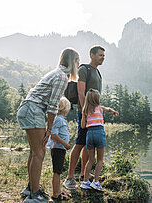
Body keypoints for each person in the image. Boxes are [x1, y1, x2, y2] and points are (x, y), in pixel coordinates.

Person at [17, 48, 79, 202]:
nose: (79, 64)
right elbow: (52, 106)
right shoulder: (62, 77)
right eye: (78, 61)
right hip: (33, 110)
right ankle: (35, 194)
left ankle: (31, 188)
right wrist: (49, 128)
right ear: (73, 62)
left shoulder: (56, 73)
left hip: (28, 108)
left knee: (34, 152)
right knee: (39, 152)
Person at [63, 46, 105, 189]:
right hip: (85, 112)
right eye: (100, 55)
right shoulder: (84, 69)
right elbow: (81, 93)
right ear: (91, 55)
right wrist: (84, 114)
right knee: (80, 142)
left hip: (93, 114)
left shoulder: (97, 72)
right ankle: (69, 178)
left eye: (103, 55)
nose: (103, 57)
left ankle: (83, 175)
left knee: (88, 144)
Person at [80, 88, 118, 191]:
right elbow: (108, 109)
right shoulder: (100, 108)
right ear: (97, 99)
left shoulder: (85, 110)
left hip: (89, 134)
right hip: (99, 133)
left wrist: (86, 119)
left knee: (90, 159)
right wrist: (114, 112)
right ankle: (95, 182)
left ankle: (85, 182)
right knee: (100, 159)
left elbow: (83, 126)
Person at [46, 97, 72, 201]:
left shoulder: (60, 119)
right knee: (57, 172)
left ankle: (59, 191)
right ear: (65, 108)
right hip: (58, 149)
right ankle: (56, 194)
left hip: (60, 148)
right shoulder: (58, 119)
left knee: (59, 171)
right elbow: (54, 135)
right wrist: (65, 143)